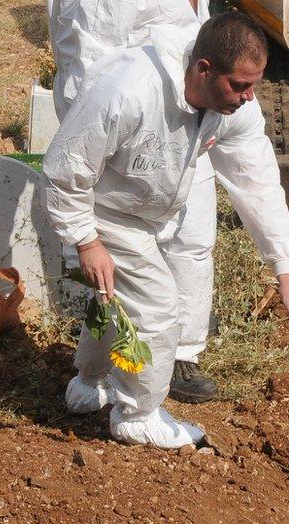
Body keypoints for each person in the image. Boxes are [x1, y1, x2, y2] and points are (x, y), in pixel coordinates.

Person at [43, 13, 289, 448]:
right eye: (240, 86)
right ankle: (138, 414)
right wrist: (86, 239)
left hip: (143, 210)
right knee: (157, 306)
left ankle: (88, 384)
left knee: (116, 299)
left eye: (255, 85)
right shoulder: (130, 90)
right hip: (104, 209)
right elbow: (66, 171)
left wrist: (284, 266)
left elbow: (256, 179)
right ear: (203, 68)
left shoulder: (229, 106)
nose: (249, 98)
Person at [47, 0, 229, 404]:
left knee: (193, 237)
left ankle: (177, 355)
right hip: (124, 126)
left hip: (186, 103)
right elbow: (87, 62)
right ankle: (136, 407)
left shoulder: (214, 77)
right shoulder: (113, 46)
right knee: (147, 295)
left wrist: (283, 260)